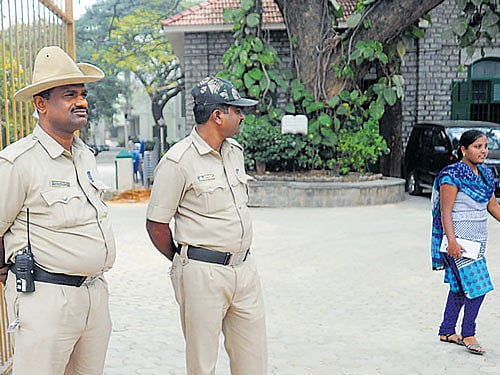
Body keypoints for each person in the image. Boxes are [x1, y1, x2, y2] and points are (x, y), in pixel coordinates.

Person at [0, 46, 116, 374]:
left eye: (82, 94)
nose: (81, 102)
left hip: (94, 296)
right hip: (46, 301)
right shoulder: (17, 162)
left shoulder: (85, 155)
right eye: (69, 95)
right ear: (41, 103)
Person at [146, 76, 267, 374]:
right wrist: (183, 260)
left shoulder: (234, 151)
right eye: (236, 110)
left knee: (254, 361)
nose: (241, 116)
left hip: (244, 270)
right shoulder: (178, 161)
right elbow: (156, 224)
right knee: (203, 365)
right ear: (217, 116)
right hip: (203, 276)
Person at [431, 129, 500, 355]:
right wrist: (451, 241)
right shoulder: (451, 175)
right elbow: (446, 211)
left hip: (477, 242)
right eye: (477, 147)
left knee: (460, 288)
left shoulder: (486, 175)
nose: (483, 151)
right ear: (464, 149)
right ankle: (468, 333)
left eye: (485, 147)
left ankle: (447, 330)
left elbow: (493, 206)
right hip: (458, 243)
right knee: (479, 287)